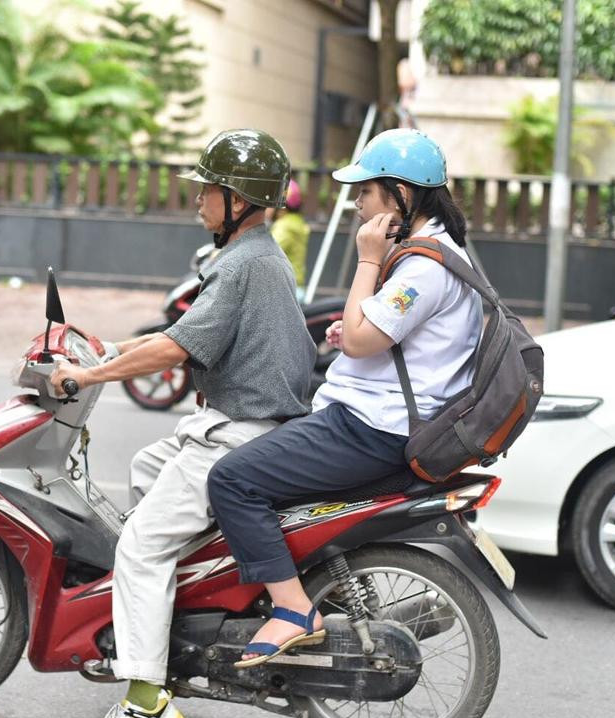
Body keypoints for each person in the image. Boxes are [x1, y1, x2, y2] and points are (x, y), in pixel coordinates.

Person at [49, 129, 316, 718]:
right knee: (146, 466)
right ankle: (176, 617)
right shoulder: (249, 258)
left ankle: (146, 703)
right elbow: (183, 332)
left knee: (139, 549)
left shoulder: (247, 262)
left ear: (240, 199)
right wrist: (111, 351)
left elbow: (176, 348)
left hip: (239, 432)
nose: (197, 198)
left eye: (208, 189)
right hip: (237, 423)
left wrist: (86, 376)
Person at [207, 129, 483, 666]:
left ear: (400, 193)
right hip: (382, 419)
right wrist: (352, 335)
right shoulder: (440, 252)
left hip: (371, 429)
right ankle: (327, 597)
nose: (357, 205)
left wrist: (366, 262)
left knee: (232, 479)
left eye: (365, 192)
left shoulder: (424, 266)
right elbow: (375, 337)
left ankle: (292, 610)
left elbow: (362, 337)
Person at [269, 178, 310, 299]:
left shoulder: (284, 227)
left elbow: (266, 252)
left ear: (281, 208)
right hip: (297, 287)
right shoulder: (298, 223)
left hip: (285, 291)